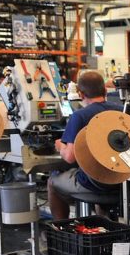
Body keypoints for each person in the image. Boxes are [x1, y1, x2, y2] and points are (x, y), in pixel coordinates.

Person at [48, 70, 123, 220]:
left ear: (81, 94)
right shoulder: (121, 111)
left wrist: (60, 146)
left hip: (91, 183)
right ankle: (103, 223)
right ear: (105, 90)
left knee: (52, 182)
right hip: (119, 179)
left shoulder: (79, 116)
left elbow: (70, 157)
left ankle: (61, 227)